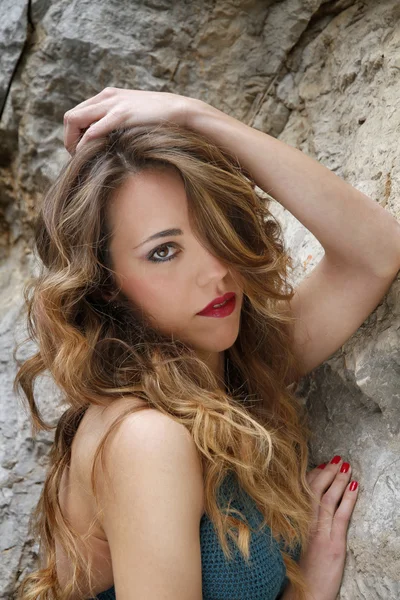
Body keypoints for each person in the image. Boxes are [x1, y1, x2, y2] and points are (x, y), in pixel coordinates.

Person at [14, 87, 400, 600]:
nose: (216, 271)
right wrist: (307, 589)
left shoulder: (232, 366)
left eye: (213, 231)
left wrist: (195, 115)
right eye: (164, 251)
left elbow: (375, 252)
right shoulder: (145, 438)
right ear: (107, 282)